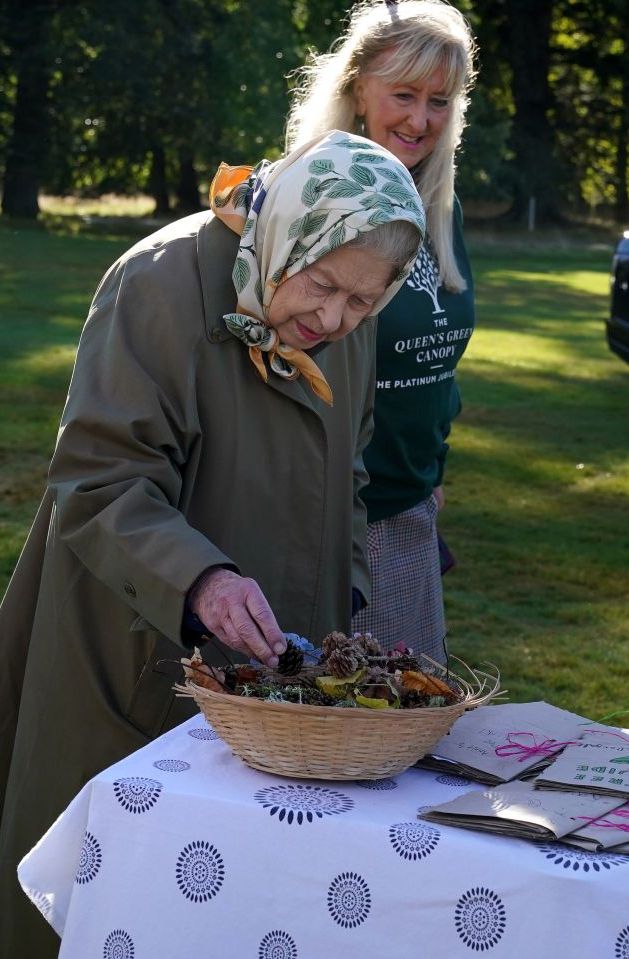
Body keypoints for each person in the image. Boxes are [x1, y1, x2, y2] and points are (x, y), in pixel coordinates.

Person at [0, 130, 425, 959]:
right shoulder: (157, 284)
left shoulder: (350, 316)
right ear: (288, 230)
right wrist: (205, 580)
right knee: (117, 898)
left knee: (255, 905)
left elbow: (352, 477)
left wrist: (349, 600)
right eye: (323, 284)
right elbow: (99, 480)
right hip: (137, 650)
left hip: (282, 685)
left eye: (364, 302)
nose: (333, 319)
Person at [286, 0, 477, 663]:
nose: (420, 119)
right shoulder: (312, 204)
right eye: (403, 94)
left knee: (403, 738)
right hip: (324, 528)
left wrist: (431, 464)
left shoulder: (438, 212)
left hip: (406, 519)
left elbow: (438, 368)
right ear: (356, 88)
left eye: (439, 101)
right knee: (321, 739)